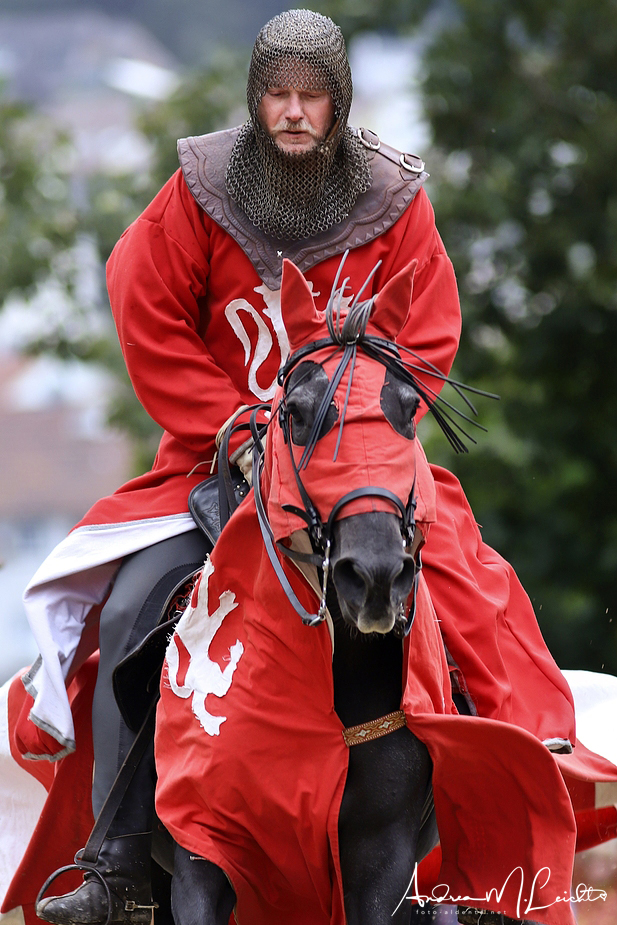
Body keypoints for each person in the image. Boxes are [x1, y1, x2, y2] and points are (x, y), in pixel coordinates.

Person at [21, 9, 575, 924]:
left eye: (308, 95)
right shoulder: (200, 192)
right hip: (220, 461)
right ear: (255, 97)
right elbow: (142, 304)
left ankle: (496, 859)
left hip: (360, 460)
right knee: (130, 604)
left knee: (473, 595)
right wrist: (234, 424)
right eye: (276, 94)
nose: (291, 112)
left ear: (336, 99)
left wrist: (365, 419)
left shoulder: (393, 199)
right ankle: (118, 861)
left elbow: (427, 327)